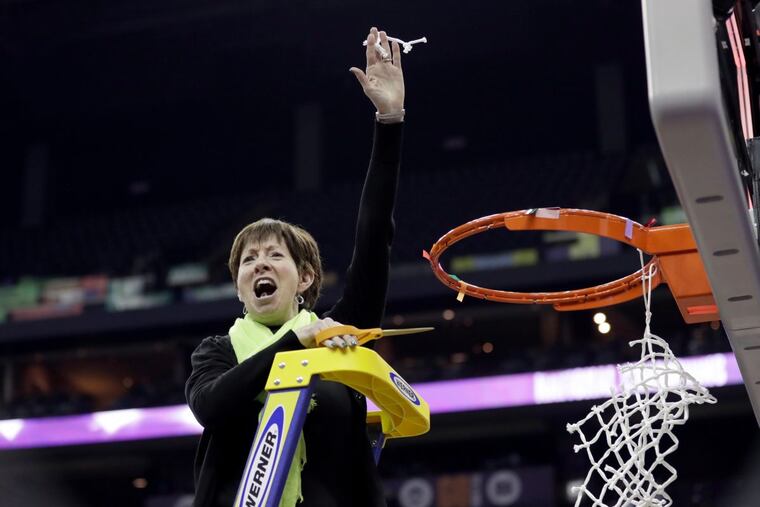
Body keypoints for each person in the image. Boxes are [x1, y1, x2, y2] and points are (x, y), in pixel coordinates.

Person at [186, 26, 405, 507]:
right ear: (240, 287)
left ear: (305, 278)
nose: (258, 264)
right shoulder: (216, 352)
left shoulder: (342, 337)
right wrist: (295, 345)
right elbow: (212, 407)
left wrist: (390, 121)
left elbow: (374, 238)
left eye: (273, 255)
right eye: (248, 260)